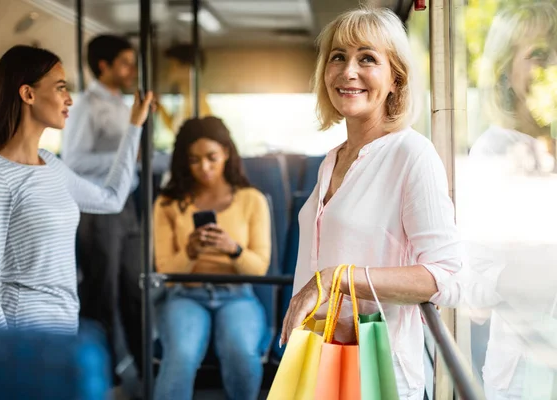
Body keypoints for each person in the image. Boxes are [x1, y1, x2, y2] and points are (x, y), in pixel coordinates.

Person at [280, 8, 462, 400]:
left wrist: (335, 278)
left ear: (396, 79)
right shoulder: (332, 160)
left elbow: (447, 277)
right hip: (317, 358)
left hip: (377, 372)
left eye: (367, 58)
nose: (348, 71)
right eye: (338, 56)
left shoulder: (412, 153)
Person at [0, 45, 152, 334]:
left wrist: (133, 127)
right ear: (28, 94)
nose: (70, 100)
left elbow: (111, 199)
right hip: (23, 330)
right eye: (61, 88)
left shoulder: (50, 163)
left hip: (63, 322)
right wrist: (5, 353)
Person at [458, 3, 557, 398]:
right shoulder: (497, 152)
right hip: (528, 369)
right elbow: (478, 283)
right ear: (505, 69)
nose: (553, 67)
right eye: (539, 55)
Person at [152, 116, 271, 400]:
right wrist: (190, 252)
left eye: (211, 157)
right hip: (185, 295)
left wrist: (234, 249)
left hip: (238, 295)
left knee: (240, 352)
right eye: (194, 160)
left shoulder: (251, 199)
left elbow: (259, 269)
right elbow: (166, 273)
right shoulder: (167, 203)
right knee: (181, 353)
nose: (204, 167)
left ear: (227, 154)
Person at [60, 34, 148, 385]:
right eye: (125, 63)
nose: (131, 70)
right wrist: (128, 152)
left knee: (135, 289)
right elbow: (76, 161)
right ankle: (104, 374)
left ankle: (145, 369)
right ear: (104, 66)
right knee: (104, 292)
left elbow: (136, 162)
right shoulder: (85, 107)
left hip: (126, 205)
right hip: (97, 207)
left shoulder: (125, 105)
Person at [155, 43, 212, 135]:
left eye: (173, 65)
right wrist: (160, 108)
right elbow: (176, 130)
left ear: (188, 68)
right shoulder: (187, 100)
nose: (169, 70)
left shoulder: (197, 104)